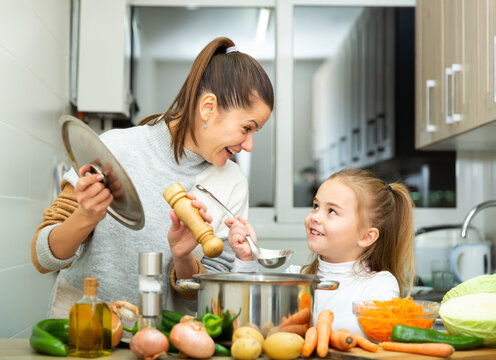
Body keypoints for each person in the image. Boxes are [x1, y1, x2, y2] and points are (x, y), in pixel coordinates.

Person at [31, 37, 274, 318]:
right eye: (247, 128)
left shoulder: (232, 183)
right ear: (208, 107)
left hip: (158, 344)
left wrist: (183, 259)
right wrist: (85, 217)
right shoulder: (115, 150)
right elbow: (42, 256)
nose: (249, 145)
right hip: (85, 336)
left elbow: (208, 301)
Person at [227, 168, 415, 334]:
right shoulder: (295, 276)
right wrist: (246, 259)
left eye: (332, 211)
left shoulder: (379, 284)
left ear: (366, 237)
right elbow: (247, 319)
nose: (315, 216)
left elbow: (361, 332)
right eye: (316, 206)